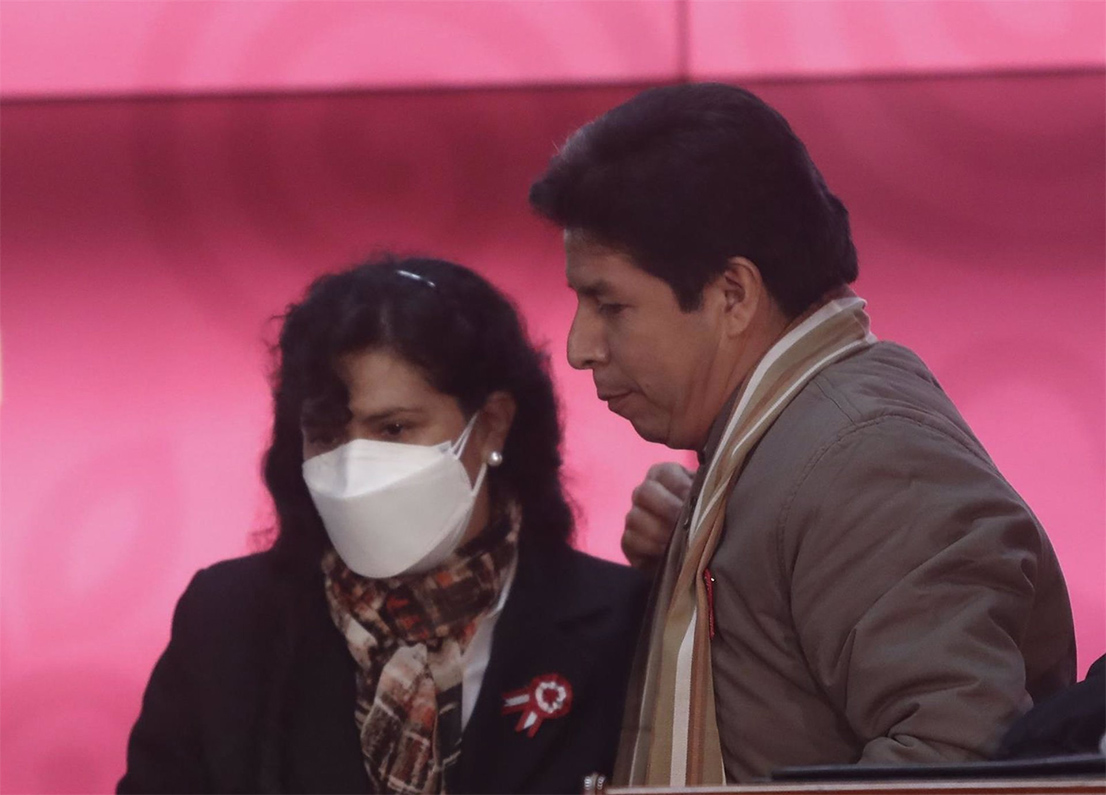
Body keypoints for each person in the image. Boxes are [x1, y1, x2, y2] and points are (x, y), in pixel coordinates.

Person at [528, 82, 1077, 785]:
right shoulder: (782, 447)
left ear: (733, 295)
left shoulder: (868, 458)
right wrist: (685, 557)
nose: (579, 347)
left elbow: (955, 766)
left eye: (610, 304)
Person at [118, 257, 648, 794]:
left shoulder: (620, 623)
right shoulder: (228, 622)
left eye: (394, 429)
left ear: (491, 425)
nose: (354, 469)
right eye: (327, 435)